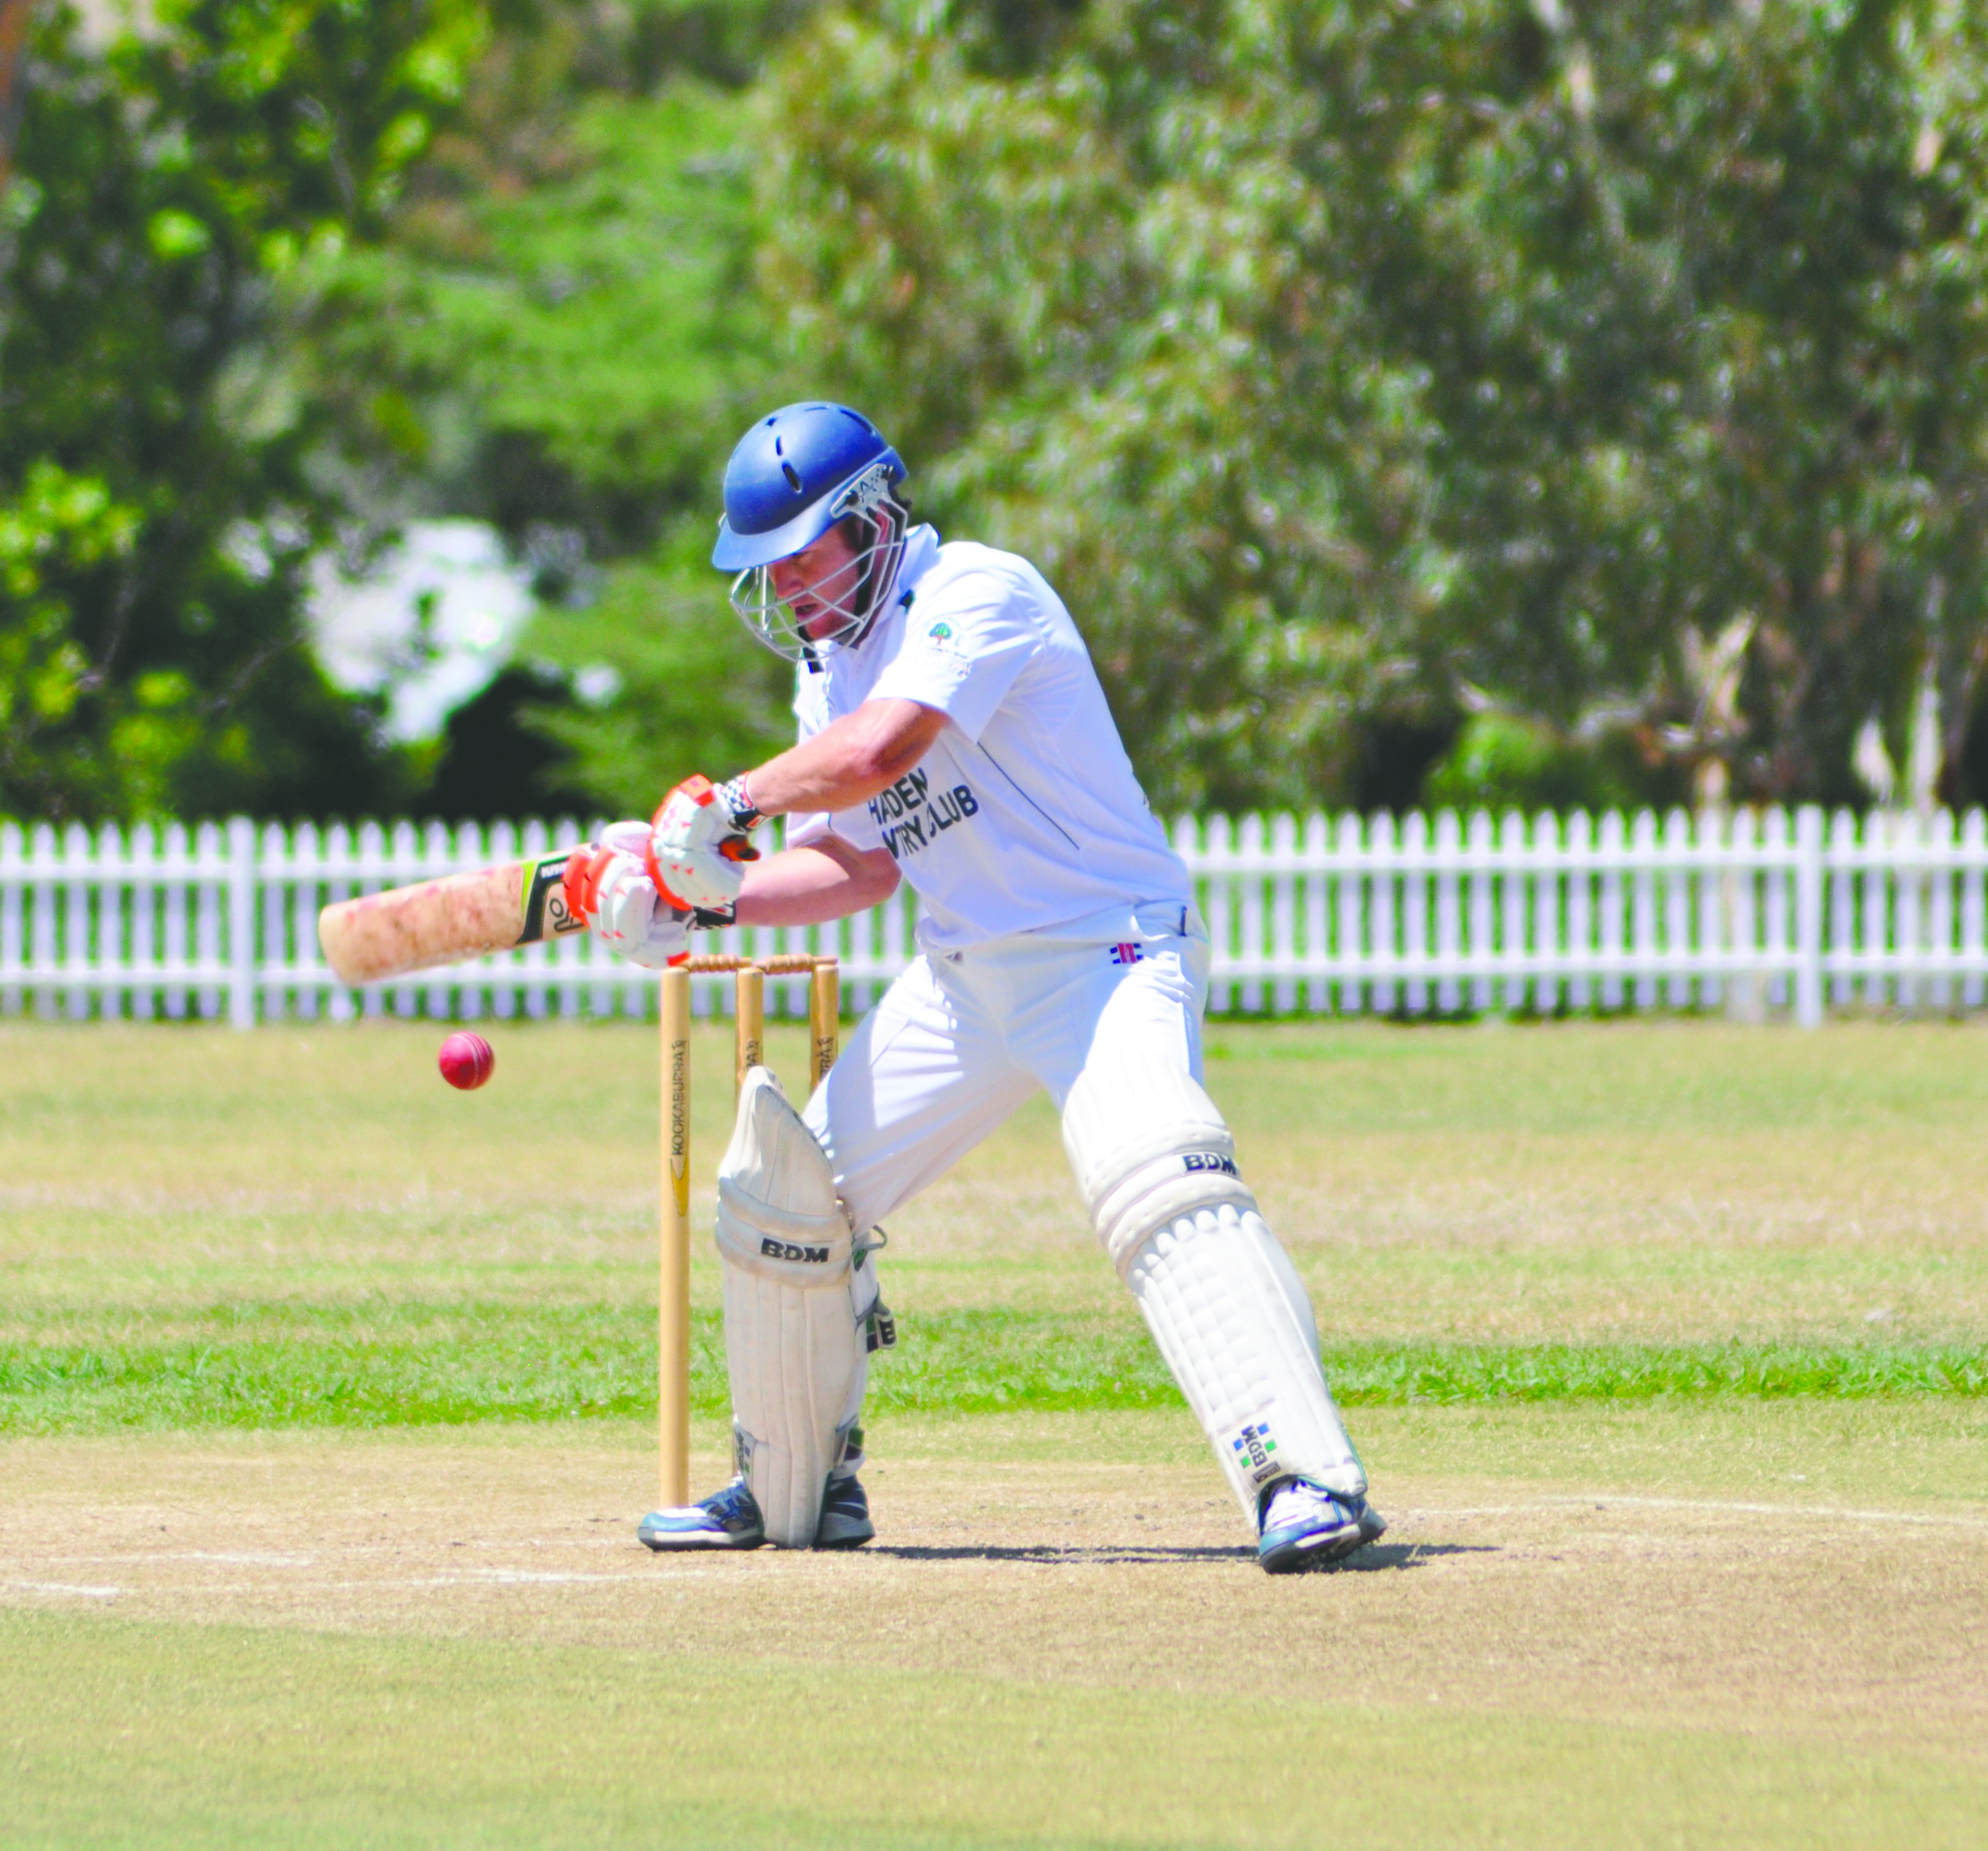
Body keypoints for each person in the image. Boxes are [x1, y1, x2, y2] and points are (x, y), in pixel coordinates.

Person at [560, 401, 1383, 1574]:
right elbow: (856, 858)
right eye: (769, 570)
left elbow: (887, 749)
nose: (790, 588)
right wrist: (706, 904)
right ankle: (795, 1486)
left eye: (805, 555)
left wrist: (727, 808)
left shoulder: (976, 592)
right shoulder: (826, 672)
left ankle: (1301, 1478)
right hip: (963, 978)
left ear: (873, 520)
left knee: (1152, 1167)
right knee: (787, 1199)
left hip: (1106, 949)